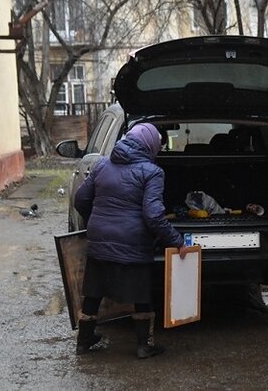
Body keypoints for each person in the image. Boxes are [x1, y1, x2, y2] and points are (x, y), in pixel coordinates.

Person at [73, 122, 187, 358]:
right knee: (141, 294)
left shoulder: (102, 164)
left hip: (100, 239)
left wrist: (96, 223)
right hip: (133, 241)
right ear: (150, 145)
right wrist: (176, 241)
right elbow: (154, 215)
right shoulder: (152, 171)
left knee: (93, 292)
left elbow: (81, 199)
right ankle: (145, 345)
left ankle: (83, 342)